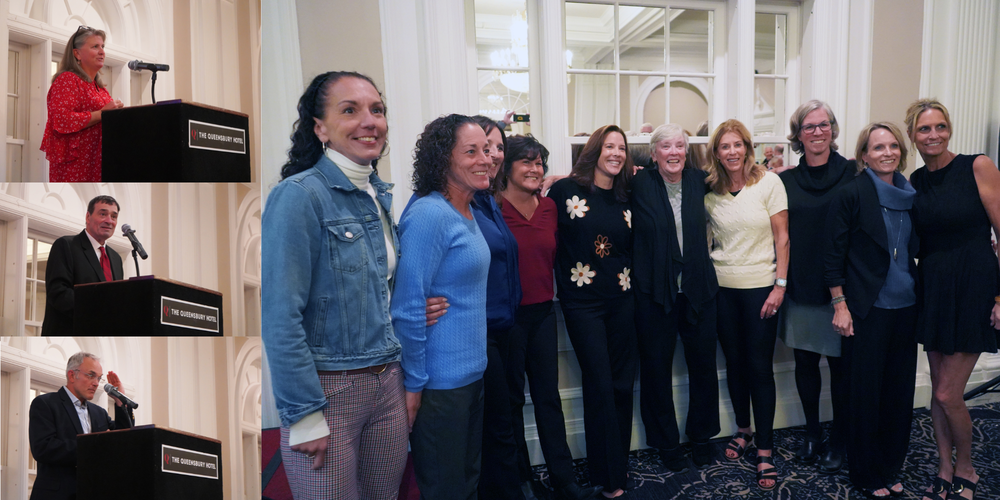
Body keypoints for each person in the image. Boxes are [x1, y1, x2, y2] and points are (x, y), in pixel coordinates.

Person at [262, 71, 410, 500]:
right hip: (328, 392)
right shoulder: (299, 195)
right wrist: (304, 414)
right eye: (350, 110)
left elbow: (377, 289)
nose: (369, 121)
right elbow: (279, 316)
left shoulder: (377, 195)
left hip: (388, 382)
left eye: (376, 110)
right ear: (320, 128)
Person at [392, 114, 492, 500]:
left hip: (471, 374)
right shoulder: (429, 214)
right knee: (446, 488)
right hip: (438, 382)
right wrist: (414, 383)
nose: (485, 159)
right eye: (471, 151)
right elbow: (408, 306)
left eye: (486, 150)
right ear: (442, 159)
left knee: (468, 481)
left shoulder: (468, 210)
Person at [496, 135, 602, 500]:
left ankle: (564, 480)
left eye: (539, 162)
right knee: (511, 401)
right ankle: (522, 482)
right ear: (507, 167)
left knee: (548, 398)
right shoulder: (492, 207)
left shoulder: (549, 207)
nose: (534, 169)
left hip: (543, 314)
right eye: (526, 162)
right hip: (507, 319)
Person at [906, 99, 1000, 500]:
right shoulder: (915, 180)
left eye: (940, 126)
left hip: (974, 286)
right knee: (938, 390)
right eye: (925, 129)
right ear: (913, 136)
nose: (934, 135)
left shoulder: (978, 166)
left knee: (948, 393)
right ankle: (945, 468)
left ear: (949, 129)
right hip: (933, 289)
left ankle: (968, 469)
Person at [826, 122, 919, 499]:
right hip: (866, 309)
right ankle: (866, 473)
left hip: (906, 307)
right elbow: (833, 255)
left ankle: (890, 466)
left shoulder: (910, 193)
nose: (887, 153)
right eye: (878, 147)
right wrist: (840, 304)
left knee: (898, 394)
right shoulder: (851, 193)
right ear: (864, 154)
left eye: (893, 146)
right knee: (865, 396)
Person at [547, 125, 637, 498]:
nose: (616, 153)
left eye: (621, 148)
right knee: (600, 385)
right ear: (595, 150)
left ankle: (616, 466)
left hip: (623, 299)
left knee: (621, 385)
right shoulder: (565, 191)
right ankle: (606, 475)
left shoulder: (627, 195)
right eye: (609, 146)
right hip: (583, 303)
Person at [704, 119, 788, 491]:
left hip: (762, 290)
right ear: (716, 153)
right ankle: (743, 429)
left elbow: (782, 238)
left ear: (748, 148)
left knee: (759, 368)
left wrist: (780, 286)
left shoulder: (769, 183)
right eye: (725, 146)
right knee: (735, 365)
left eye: (738, 144)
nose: (732, 151)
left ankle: (765, 449)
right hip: (722, 290)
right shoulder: (710, 191)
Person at [631, 124, 720, 472]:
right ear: (654, 154)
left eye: (679, 146)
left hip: (699, 289)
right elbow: (598, 184)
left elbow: (739, 177)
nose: (673, 152)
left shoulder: (700, 181)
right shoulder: (639, 183)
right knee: (656, 370)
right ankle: (666, 442)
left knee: (703, 367)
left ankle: (701, 436)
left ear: (686, 151)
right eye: (665, 146)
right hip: (655, 291)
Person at [778, 100, 855, 473]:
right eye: (808, 126)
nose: (817, 132)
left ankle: (839, 439)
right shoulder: (785, 180)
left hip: (843, 289)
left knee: (842, 369)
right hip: (802, 284)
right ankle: (812, 432)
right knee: (805, 363)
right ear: (798, 135)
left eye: (824, 124)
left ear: (833, 129)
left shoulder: (854, 172)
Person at [467, 115, 524, 500]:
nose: (493, 156)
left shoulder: (488, 198)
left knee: (503, 420)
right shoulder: (452, 201)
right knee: (496, 425)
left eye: (499, 148)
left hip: (506, 325)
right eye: (484, 148)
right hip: (479, 330)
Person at [28, 352, 134, 500]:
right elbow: (43, 448)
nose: (96, 383)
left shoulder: (99, 413)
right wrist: (93, 445)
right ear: (72, 375)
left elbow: (124, 440)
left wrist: (120, 400)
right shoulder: (45, 403)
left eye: (99, 378)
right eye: (91, 375)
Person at [41, 26, 124, 182]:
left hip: (100, 162)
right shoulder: (67, 79)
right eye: (95, 47)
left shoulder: (100, 88)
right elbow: (61, 119)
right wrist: (102, 114)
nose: (102, 51)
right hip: (77, 166)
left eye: (103, 46)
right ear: (77, 53)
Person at [42, 195, 123, 336]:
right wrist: (100, 310)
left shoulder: (116, 258)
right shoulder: (66, 245)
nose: (109, 221)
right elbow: (58, 294)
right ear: (88, 217)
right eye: (103, 214)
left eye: (114, 216)